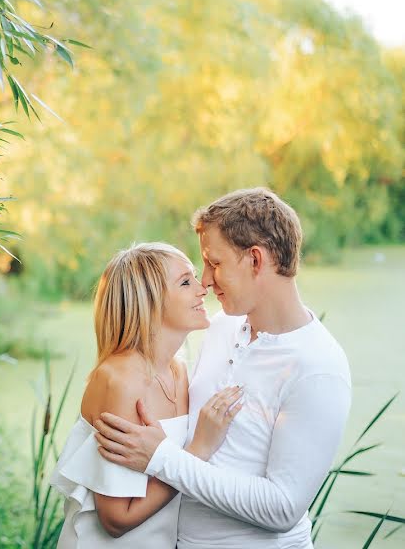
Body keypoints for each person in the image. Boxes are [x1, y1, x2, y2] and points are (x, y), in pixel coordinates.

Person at [93, 188, 352, 548]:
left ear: (256, 261)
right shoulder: (219, 329)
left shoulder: (318, 367)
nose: (206, 281)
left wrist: (162, 458)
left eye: (214, 263)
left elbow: (283, 508)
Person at [50, 242, 244, 548]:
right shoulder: (122, 382)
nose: (202, 287)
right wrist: (197, 454)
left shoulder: (179, 373)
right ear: (149, 302)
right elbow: (115, 519)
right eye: (185, 282)